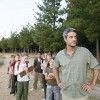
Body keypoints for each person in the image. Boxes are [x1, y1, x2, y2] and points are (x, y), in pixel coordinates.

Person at [53, 28, 100, 100]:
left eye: (75, 37)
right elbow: (55, 67)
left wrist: (93, 84)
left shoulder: (84, 52)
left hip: (82, 95)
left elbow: (96, 66)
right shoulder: (60, 54)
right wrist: (58, 82)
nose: (74, 39)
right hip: (66, 94)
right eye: (71, 37)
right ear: (65, 39)